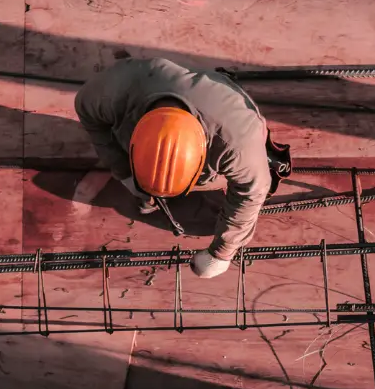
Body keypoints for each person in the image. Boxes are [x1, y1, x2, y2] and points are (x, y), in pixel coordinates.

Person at [75, 57, 275, 279]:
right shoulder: (107, 94)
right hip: (145, 91)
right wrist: (125, 173)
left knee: (231, 183)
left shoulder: (237, 142)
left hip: (225, 114)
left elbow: (253, 190)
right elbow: (94, 123)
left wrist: (222, 253)